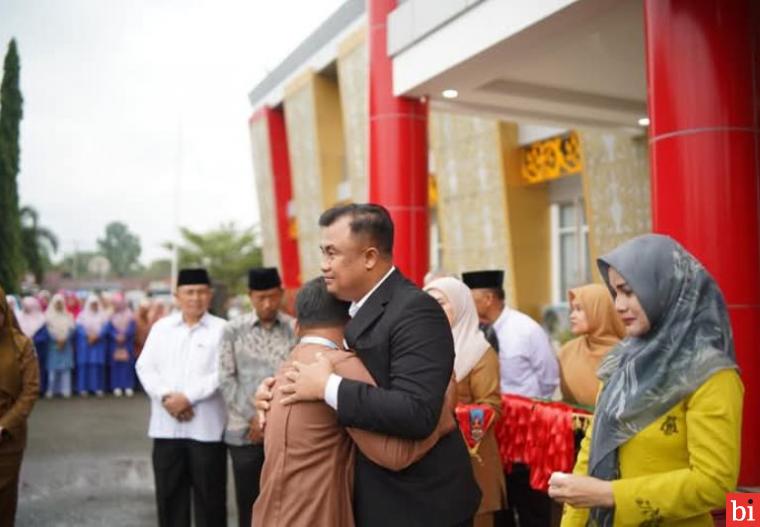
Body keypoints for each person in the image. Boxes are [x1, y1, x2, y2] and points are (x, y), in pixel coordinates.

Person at [263, 203, 481, 527]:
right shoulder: (353, 309)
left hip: (419, 503)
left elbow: (417, 412)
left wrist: (328, 387)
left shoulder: (415, 310)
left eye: (332, 253)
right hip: (377, 497)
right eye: (322, 253)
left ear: (369, 257)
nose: (323, 266)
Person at [550, 234, 743, 527]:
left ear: (665, 289)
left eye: (629, 291)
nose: (618, 305)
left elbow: (715, 483)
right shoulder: (623, 363)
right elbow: (590, 455)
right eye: (615, 293)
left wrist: (611, 494)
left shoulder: (711, 375)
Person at [253, 277, 458, 526]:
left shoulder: (287, 366)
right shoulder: (337, 366)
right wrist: (442, 412)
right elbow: (395, 455)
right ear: (352, 321)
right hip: (314, 516)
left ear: (297, 326)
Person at [462, 270, 559, 527]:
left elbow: (549, 379)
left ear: (488, 298)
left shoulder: (525, 329)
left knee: (530, 505)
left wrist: (527, 416)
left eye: (469, 297)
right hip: (490, 431)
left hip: (526, 433)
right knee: (499, 505)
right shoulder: (471, 333)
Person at [136, 268, 228, 527]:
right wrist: (167, 397)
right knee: (169, 500)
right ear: (177, 296)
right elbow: (145, 367)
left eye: (201, 292)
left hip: (207, 430)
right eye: (189, 292)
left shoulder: (223, 330)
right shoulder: (161, 328)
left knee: (211, 502)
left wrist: (188, 398)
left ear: (210, 295)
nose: (195, 298)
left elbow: (224, 371)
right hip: (166, 430)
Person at [424, 277, 507, 527]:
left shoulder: (479, 351)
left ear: (460, 305)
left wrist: (443, 416)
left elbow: (490, 407)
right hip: (431, 457)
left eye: (440, 303)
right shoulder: (424, 347)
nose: (432, 309)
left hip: (471, 458)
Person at [218, 267, 296, 527]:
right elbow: (226, 378)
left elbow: (297, 377)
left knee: (285, 504)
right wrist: (255, 417)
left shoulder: (294, 329)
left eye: (273, 296)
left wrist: (270, 420)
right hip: (243, 433)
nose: (267, 303)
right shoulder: (232, 330)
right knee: (249, 504)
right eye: (260, 297)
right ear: (250, 296)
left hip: (285, 434)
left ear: (281, 294)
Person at [0, 288, 40, 527]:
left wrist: (4, 425)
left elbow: (30, 390)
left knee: (4, 501)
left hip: (8, 438)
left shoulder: (21, 345)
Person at [556, 284, 625, 408]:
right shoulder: (567, 351)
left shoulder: (625, 356)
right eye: (572, 309)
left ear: (599, 310)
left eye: (579, 309)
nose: (572, 316)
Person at [75, 296, 109, 397]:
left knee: (96, 366)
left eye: (96, 304)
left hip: (98, 344)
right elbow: (79, 328)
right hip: (85, 344)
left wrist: (97, 336)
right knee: (84, 366)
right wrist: (88, 336)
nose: (94, 306)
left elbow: (106, 328)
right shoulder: (82, 315)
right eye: (92, 304)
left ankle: (97, 388)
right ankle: (83, 388)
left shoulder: (102, 315)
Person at [44, 294, 76, 399]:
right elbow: (48, 331)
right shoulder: (48, 316)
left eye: (60, 303)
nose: (59, 305)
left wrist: (65, 339)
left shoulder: (68, 316)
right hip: (53, 346)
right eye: (57, 303)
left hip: (65, 345)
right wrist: (56, 340)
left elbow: (72, 329)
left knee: (65, 370)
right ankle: (51, 390)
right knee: (52, 370)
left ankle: (65, 390)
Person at [18, 297, 49, 396]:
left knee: (39, 369)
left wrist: (33, 340)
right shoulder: (19, 318)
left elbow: (44, 336)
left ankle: (40, 389)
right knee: (23, 370)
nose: (26, 308)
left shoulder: (42, 319)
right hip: (22, 349)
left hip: (38, 350)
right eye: (25, 306)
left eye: (28, 306)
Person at [108, 293, 137, 397]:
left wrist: (125, 335)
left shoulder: (130, 315)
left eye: (120, 303)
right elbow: (109, 328)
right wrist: (116, 336)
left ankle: (128, 386)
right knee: (116, 365)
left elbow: (132, 328)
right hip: (115, 344)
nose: (118, 305)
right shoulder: (111, 315)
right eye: (116, 303)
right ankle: (117, 386)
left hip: (127, 344)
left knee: (127, 365)